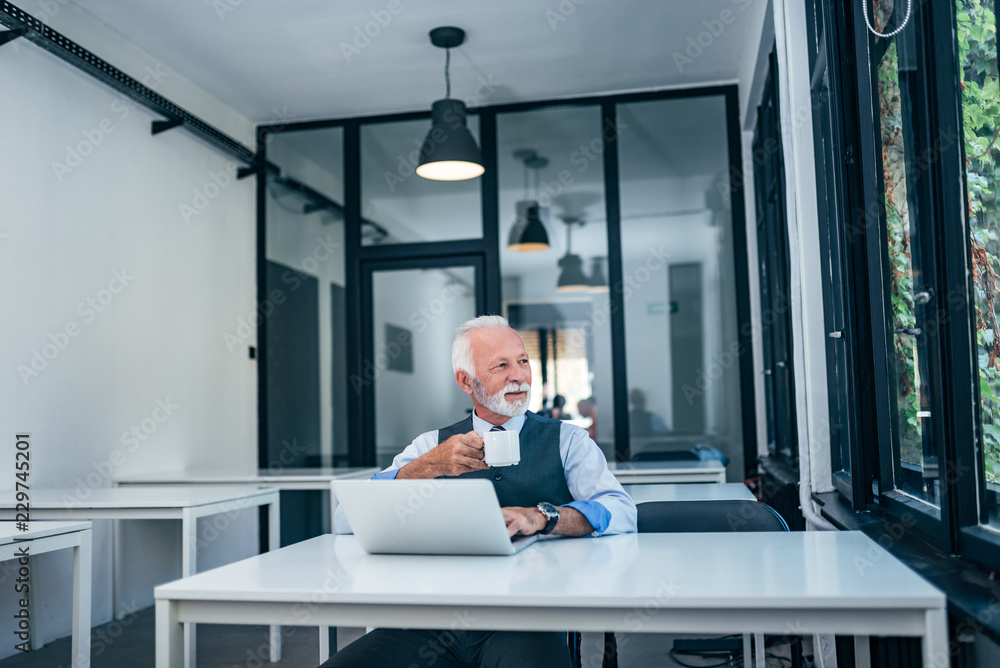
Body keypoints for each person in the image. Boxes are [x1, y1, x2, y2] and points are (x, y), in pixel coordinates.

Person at [326, 315, 636, 668]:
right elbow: (345, 519)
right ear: (466, 381)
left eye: (522, 361)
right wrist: (426, 467)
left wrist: (543, 516)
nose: (518, 375)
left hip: (527, 621)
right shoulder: (431, 445)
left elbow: (621, 510)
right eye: (501, 365)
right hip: (430, 622)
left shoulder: (568, 440)